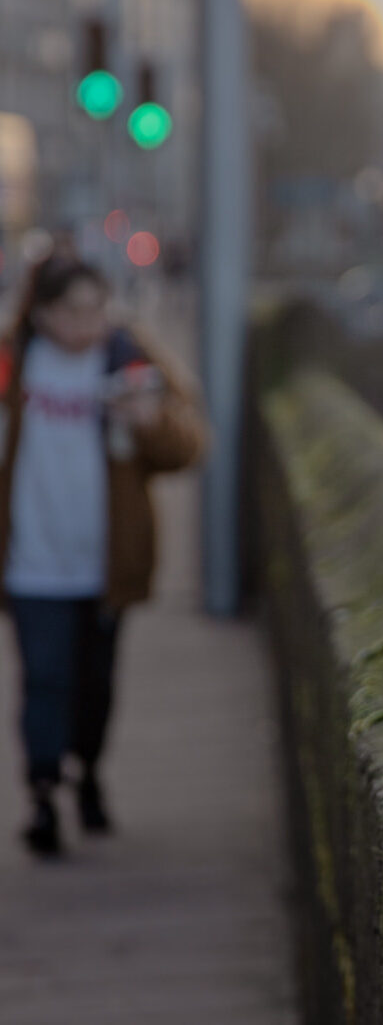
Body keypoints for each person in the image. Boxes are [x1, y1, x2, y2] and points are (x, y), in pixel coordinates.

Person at [1, 253, 204, 857]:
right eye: (72, 311)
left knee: (94, 684)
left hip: (106, 562)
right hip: (31, 561)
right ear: (41, 314)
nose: (88, 323)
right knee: (43, 678)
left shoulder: (126, 357)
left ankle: (85, 772)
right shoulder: (14, 363)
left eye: (97, 308)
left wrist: (147, 422)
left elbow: (187, 446)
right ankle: (41, 794)